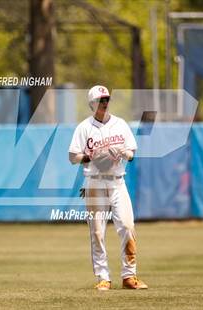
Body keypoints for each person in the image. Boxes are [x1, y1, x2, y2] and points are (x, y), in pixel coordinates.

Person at [68, 85, 147, 290]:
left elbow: (131, 152)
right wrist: (90, 156)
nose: (104, 103)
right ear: (92, 104)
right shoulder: (84, 127)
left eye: (106, 100)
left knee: (128, 226)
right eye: (100, 100)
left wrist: (123, 152)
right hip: (94, 182)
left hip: (117, 181)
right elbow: (72, 157)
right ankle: (103, 277)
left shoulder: (120, 124)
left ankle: (129, 276)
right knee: (97, 231)